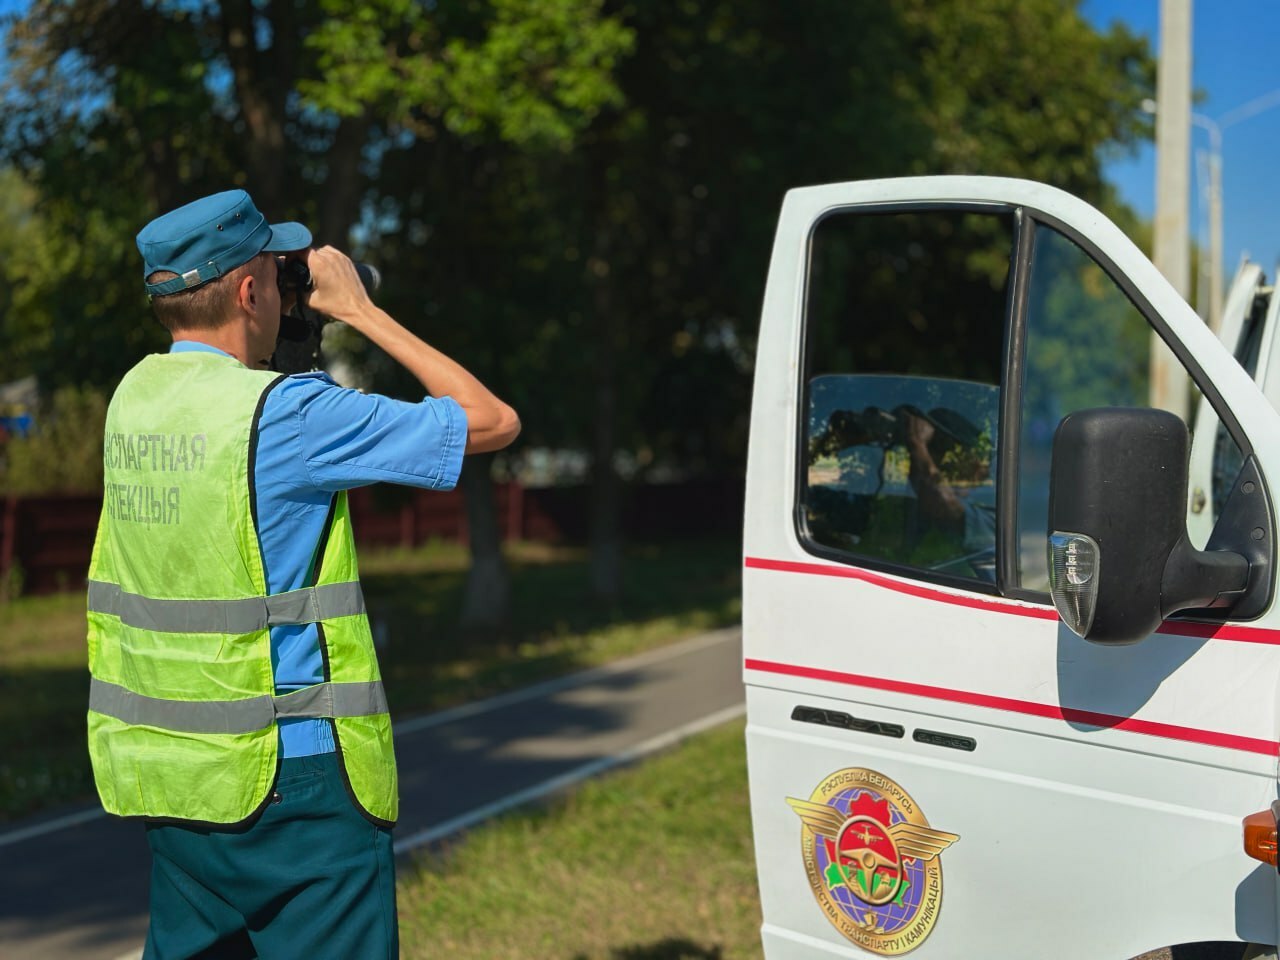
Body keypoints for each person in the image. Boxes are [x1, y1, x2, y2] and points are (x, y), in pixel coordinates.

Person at [85, 189, 520, 959]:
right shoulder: (291, 414)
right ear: (251, 291)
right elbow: (491, 421)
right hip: (298, 783)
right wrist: (359, 311)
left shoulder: (135, 402)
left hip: (177, 779)